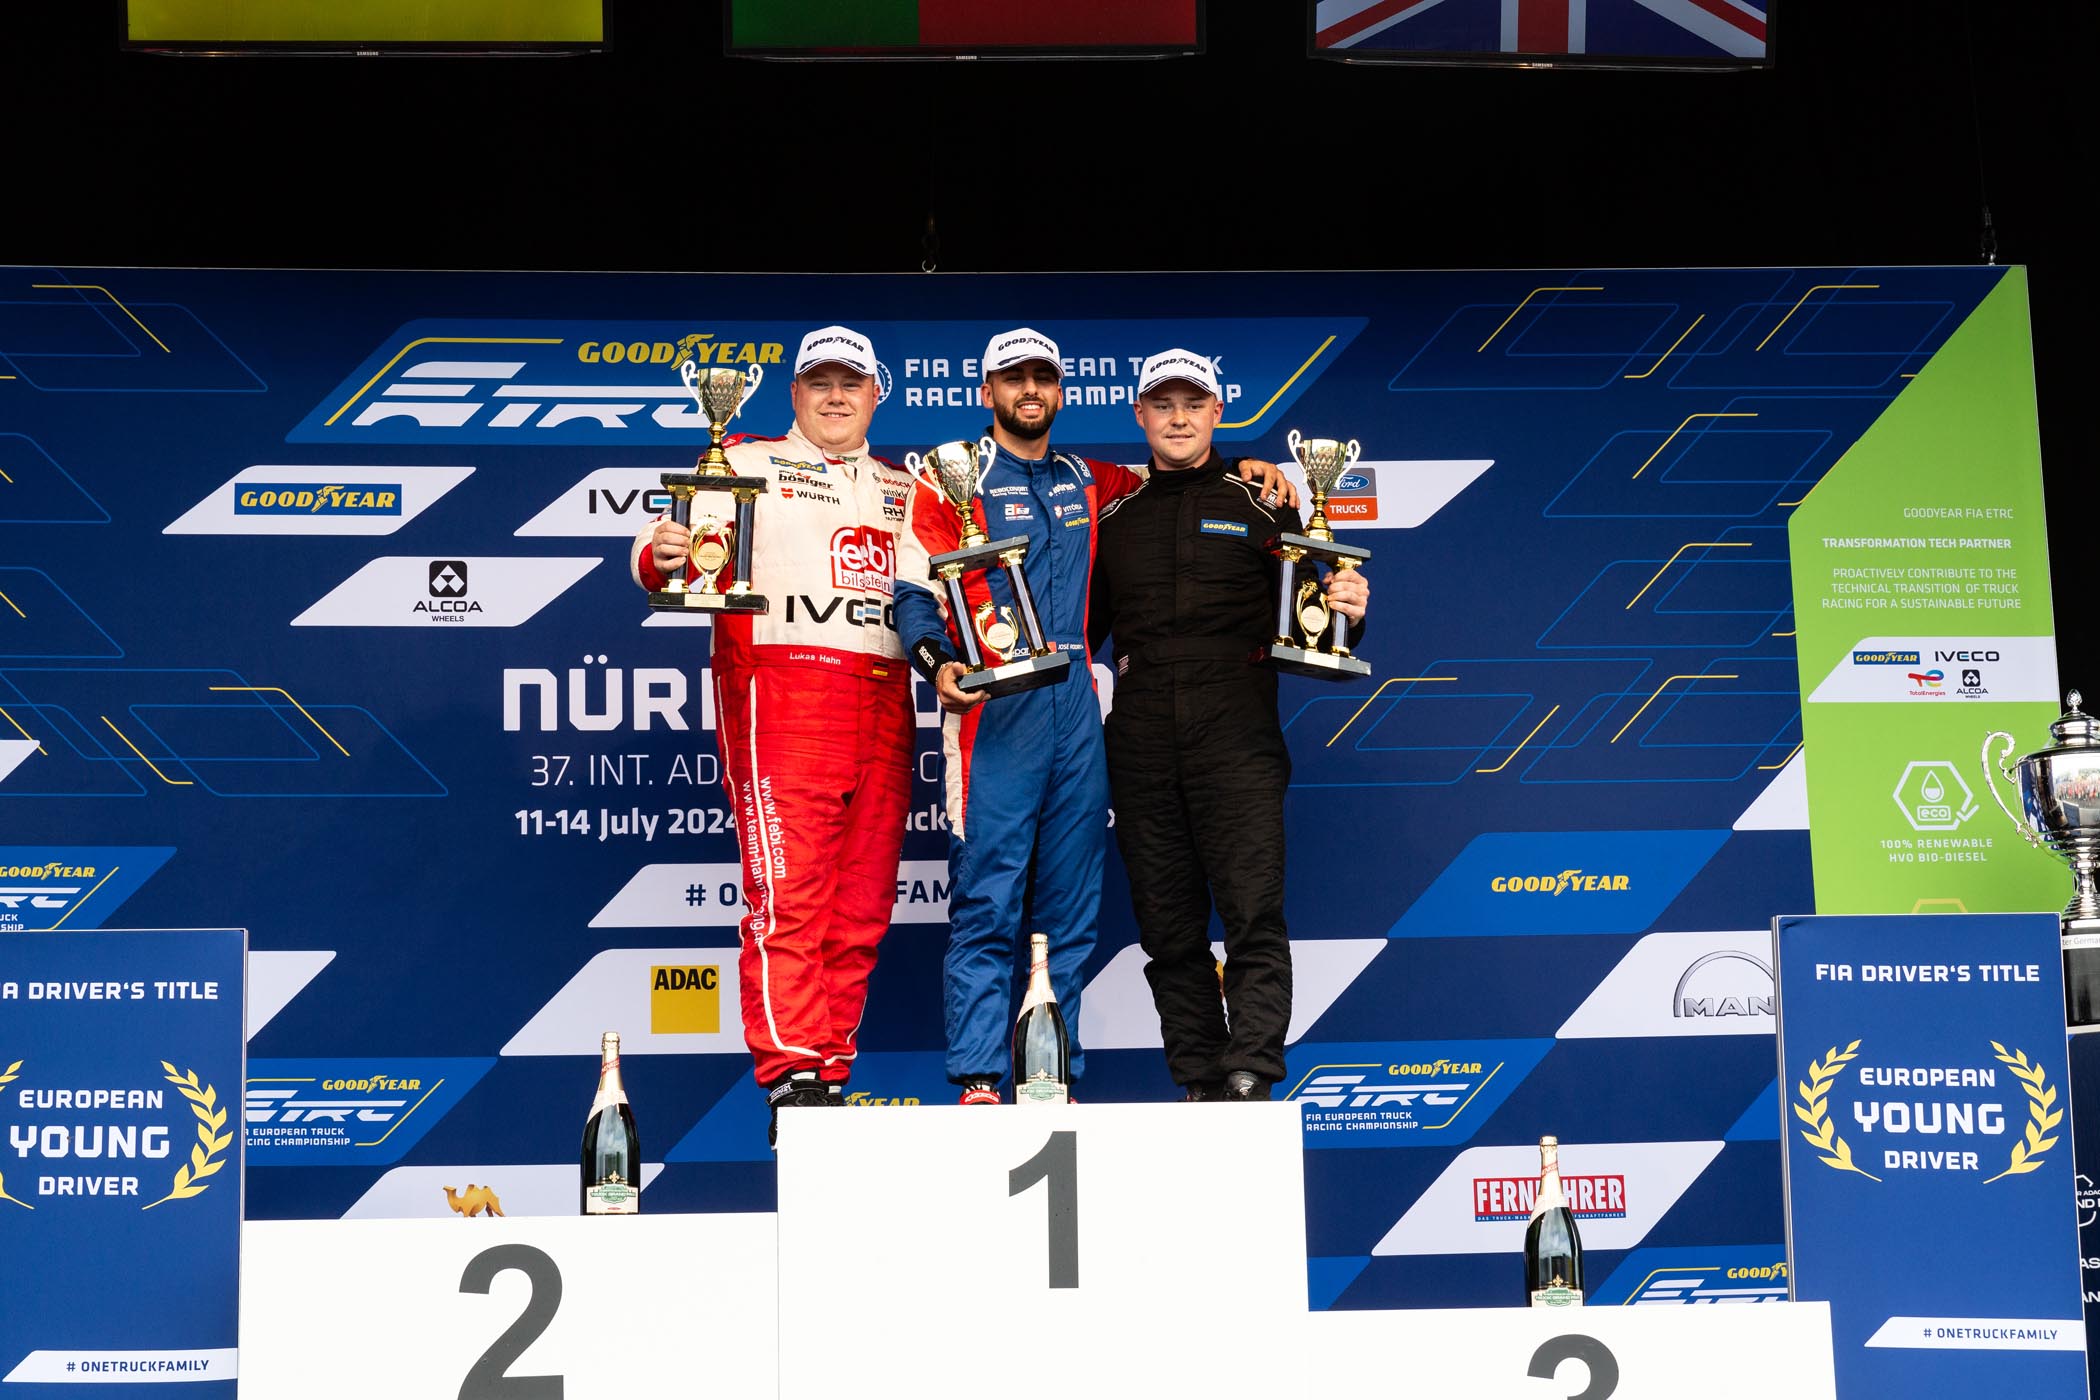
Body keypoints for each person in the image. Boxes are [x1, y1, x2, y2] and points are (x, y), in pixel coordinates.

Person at [894, 329, 1297, 1104]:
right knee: (988, 902)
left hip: (1081, 709)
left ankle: (1051, 1076)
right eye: (1014, 377)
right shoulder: (949, 478)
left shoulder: (1092, 481)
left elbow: (1185, 472)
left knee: (1072, 913)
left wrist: (1256, 465)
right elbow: (913, 591)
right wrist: (936, 661)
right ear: (987, 391)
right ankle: (979, 1078)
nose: (1030, 390)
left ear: (1062, 391)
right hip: (995, 713)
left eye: (1042, 377)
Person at [631, 325, 918, 1144]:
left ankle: (829, 1071)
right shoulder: (744, 462)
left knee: (860, 910)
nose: (836, 396)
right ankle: (791, 1074)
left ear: (876, 395)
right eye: (819, 382)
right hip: (782, 690)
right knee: (789, 896)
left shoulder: (908, 488)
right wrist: (663, 550)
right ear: (794, 394)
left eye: (851, 383)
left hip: (885, 695)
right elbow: (660, 554)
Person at [1088, 349, 1368, 1102]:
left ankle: (1251, 1071)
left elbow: (1313, 624)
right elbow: (1077, 633)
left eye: (1193, 404)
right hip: (1141, 739)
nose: (1178, 418)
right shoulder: (1113, 518)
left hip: (1238, 734)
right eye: (1163, 404)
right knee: (1167, 929)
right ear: (1139, 414)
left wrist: (1348, 610)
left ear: (1218, 412)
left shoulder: (1267, 502)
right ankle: (1198, 1080)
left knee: (1252, 913)